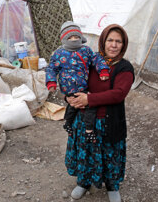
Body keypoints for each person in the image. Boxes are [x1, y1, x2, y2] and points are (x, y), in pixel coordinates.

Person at [65, 24, 134, 202]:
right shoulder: (91, 60)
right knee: (85, 152)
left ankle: (112, 186)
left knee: (110, 154)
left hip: (108, 122)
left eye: (118, 41)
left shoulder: (124, 68)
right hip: (85, 119)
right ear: (103, 42)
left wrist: (90, 99)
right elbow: (73, 77)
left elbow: (119, 94)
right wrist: (69, 97)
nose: (113, 45)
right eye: (110, 40)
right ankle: (83, 182)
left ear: (123, 45)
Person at [45, 21, 109, 142]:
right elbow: (51, 68)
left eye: (76, 37)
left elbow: (97, 59)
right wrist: (51, 82)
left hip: (83, 86)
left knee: (75, 106)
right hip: (68, 88)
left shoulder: (86, 50)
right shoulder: (59, 54)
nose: (74, 40)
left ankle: (68, 123)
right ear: (64, 39)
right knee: (84, 105)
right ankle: (89, 130)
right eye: (70, 37)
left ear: (81, 37)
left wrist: (104, 70)